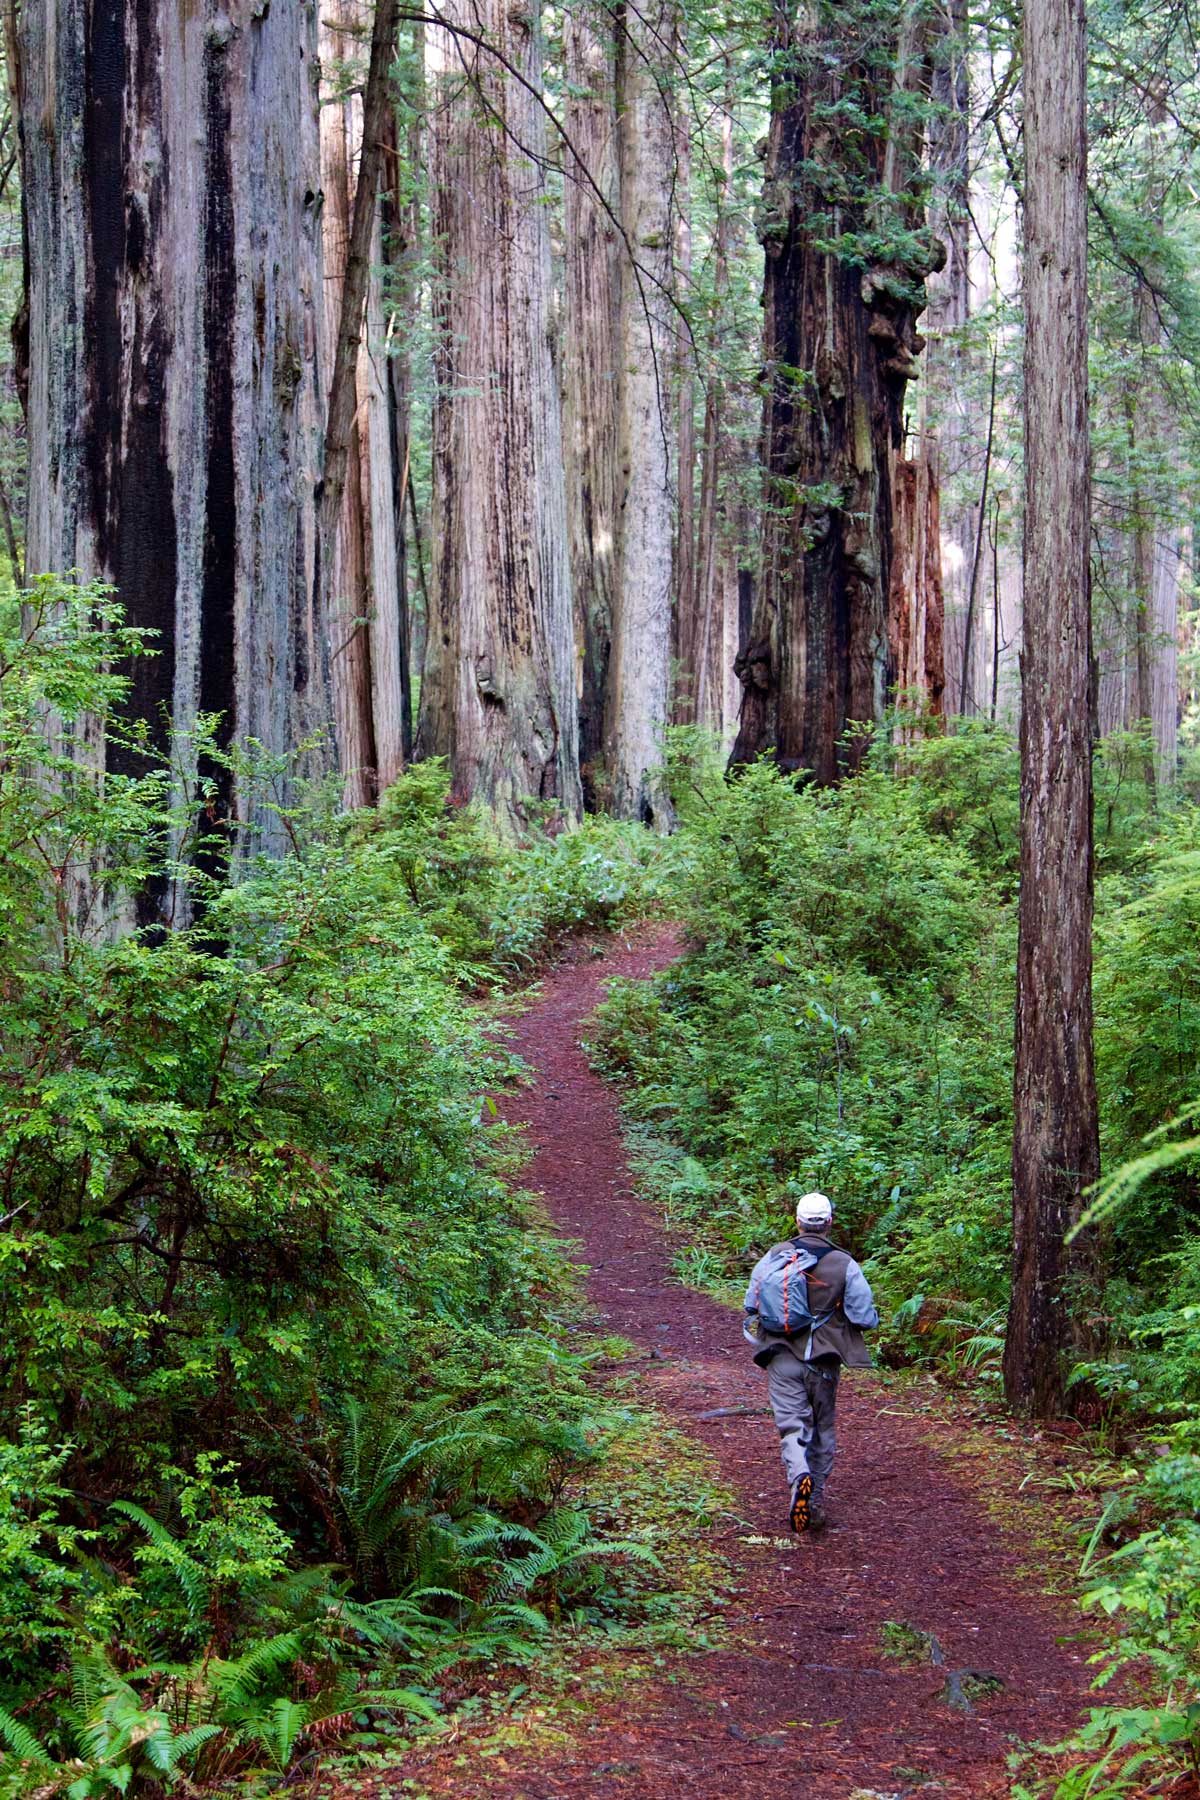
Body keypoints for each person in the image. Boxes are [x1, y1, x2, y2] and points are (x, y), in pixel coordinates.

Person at [743, 1190, 878, 1533]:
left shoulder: (774, 1256)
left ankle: (797, 1475)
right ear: (829, 1222)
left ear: (798, 1221)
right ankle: (814, 1499)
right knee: (822, 1427)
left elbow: (751, 1302)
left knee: (792, 1426)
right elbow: (863, 1317)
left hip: (780, 1357)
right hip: (824, 1360)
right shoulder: (845, 1263)